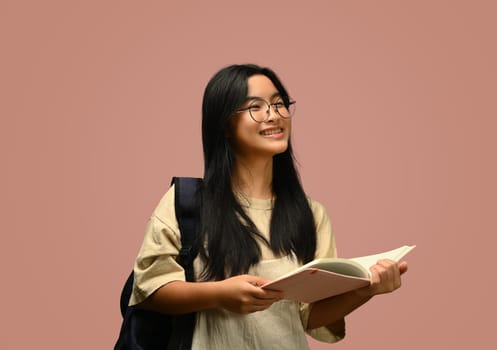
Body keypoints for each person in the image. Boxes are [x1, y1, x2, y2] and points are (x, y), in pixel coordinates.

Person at [129, 64, 408, 349]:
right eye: (255, 107)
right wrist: (218, 294)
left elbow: (309, 317)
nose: (273, 115)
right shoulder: (187, 203)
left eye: (278, 103)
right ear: (224, 125)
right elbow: (150, 290)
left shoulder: (311, 214)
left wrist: (368, 289)